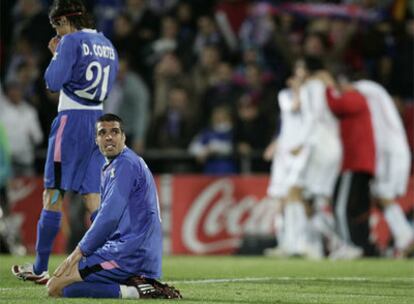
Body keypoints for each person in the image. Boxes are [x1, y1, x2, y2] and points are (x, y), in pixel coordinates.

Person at [12, 0, 119, 283]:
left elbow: (52, 82)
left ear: (63, 21)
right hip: (97, 121)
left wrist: (57, 54)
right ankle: (103, 265)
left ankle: (39, 267)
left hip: (71, 122)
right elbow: (110, 82)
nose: (57, 32)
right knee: (93, 197)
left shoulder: (70, 41)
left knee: (54, 193)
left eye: (56, 26)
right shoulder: (107, 43)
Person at [46, 113, 181, 299]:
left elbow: (109, 217)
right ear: (96, 139)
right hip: (133, 251)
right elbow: (112, 216)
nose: (109, 137)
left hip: (129, 255)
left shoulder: (124, 164)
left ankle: (136, 291)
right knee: (67, 285)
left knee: (56, 287)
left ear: (123, 137)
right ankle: (135, 283)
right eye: (102, 133)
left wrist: (78, 253)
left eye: (115, 132)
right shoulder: (117, 165)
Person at [354, 80, 414, 257]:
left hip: (391, 155)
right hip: (389, 154)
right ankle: (405, 238)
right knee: (380, 197)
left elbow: (364, 87)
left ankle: (407, 237)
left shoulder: (373, 93)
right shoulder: (385, 112)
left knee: (384, 195)